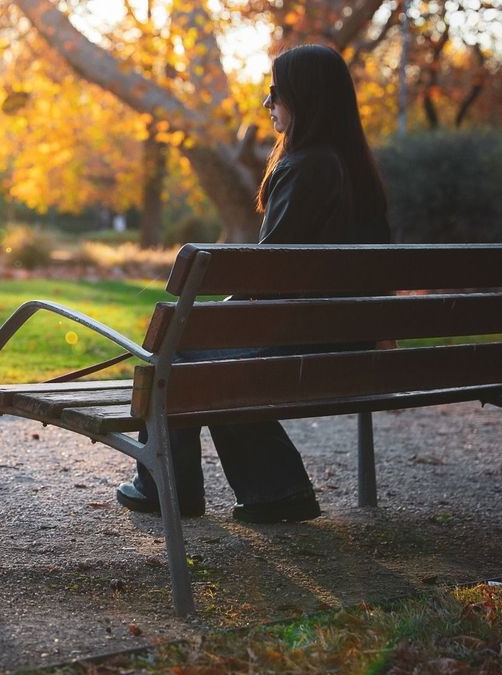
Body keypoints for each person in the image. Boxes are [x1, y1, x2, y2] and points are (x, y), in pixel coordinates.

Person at [114, 43, 391, 523]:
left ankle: (169, 487)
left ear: (304, 98)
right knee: (206, 351)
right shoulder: (357, 170)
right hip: (350, 344)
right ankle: (274, 491)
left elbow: (269, 275)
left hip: (310, 345)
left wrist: (211, 318)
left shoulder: (307, 166)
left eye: (275, 93)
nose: (268, 104)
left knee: (183, 355)